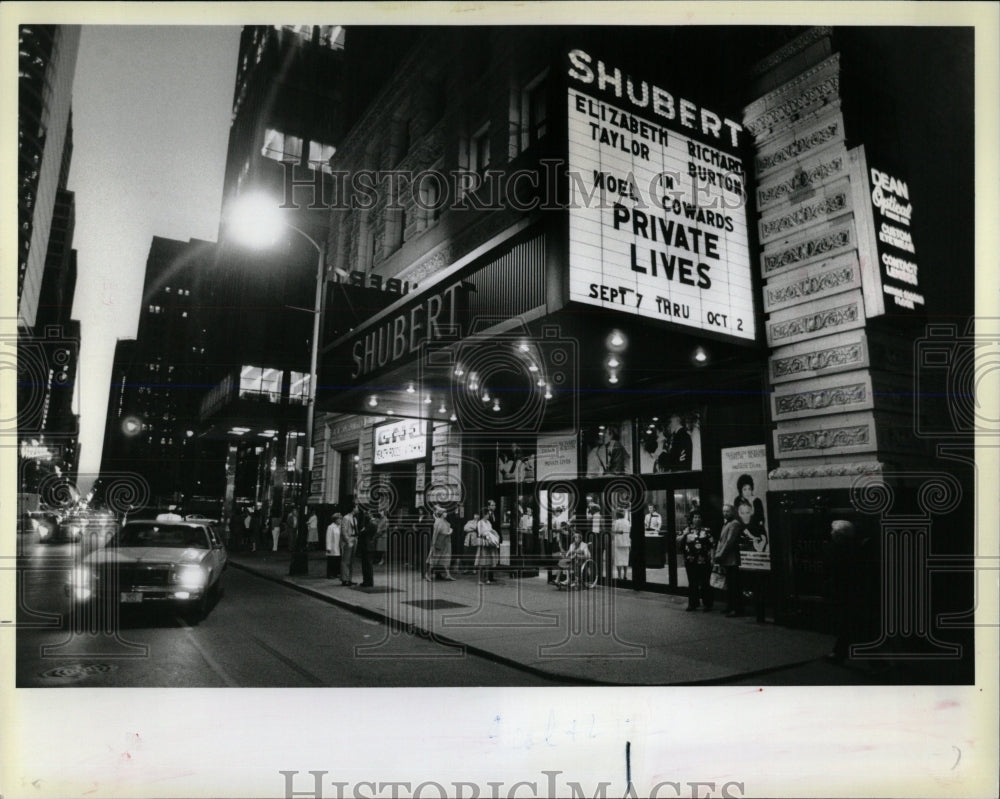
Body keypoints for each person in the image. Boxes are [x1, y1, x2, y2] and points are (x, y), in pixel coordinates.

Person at [714, 503, 748, 616]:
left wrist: (719, 555)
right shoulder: (727, 523)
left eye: (727, 511)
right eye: (723, 511)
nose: (725, 513)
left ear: (732, 512)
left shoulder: (734, 524)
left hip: (731, 559)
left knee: (734, 585)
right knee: (729, 585)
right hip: (727, 559)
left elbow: (729, 542)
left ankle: (737, 609)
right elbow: (722, 540)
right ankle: (730, 607)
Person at [677, 510, 715, 611]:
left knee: (705, 583)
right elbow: (678, 540)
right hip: (690, 560)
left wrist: (712, 559)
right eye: (695, 517)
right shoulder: (687, 530)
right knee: (692, 582)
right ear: (692, 519)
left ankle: (707, 604)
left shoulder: (706, 531)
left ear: (701, 519)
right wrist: (684, 534)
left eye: (699, 517)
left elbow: (712, 546)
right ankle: (693, 604)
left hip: (704, 560)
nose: (697, 519)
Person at [425, 508, 456, 581]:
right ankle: (427, 574)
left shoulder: (445, 521)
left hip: (446, 542)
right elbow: (435, 534)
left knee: (446, 559)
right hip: (440, 542)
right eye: (445, 512)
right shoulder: (438, 522)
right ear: (441, 514)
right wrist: (434, 544)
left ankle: (448, 574)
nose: (446, 514)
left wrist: (449, 531)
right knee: (434, 560)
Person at [475, 505, 500, 585]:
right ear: (484, 514)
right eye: (488, 514)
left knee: (488, 561)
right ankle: (480, 579)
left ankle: (486, 578)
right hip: (484, 542)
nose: (489, 515)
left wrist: (493, 533)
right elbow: (480, 532)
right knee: (482, 562)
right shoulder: (480, 522)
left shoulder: (488, 522)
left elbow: (491, 530)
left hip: (489, 543)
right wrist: (487, 533)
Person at [339, 506, 358, 586]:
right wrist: (347, 541)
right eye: (356, 507)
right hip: (349, 540)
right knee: (346, 560)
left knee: (351, 561)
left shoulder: (355, 518)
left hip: (354, 538)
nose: (358, 509)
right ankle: (344, 579)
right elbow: (343, 530)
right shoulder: (346, 518)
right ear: (353, 508)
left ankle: (349, 579)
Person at [356, 508, 375, 587]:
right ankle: (367, 581)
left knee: (367, 565)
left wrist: (362, 531)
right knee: (367, 565)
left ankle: (368, 581)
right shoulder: (371, 524)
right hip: (369, 546)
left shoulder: (370, 525)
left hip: (366, 546)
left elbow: (362, 533)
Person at [611, 508, 631, 582]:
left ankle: (619, 575)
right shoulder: (627, 521)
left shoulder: (616, 522)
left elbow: (613, 531)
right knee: (625, 559)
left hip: (618, 542)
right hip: (626, 542)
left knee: (618, 559)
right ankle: (625, 575)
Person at [325, 513, 342, 579]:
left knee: (337, 560)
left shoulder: (340, 527)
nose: (340, 520)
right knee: (331, 560)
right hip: (332, 546)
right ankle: (330, 574)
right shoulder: (330, 527)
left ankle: (336, 573)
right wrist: (328, 547)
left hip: (338, 546)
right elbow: (328, 537)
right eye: (339, 519)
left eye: (341, 519)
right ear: (335, 520)